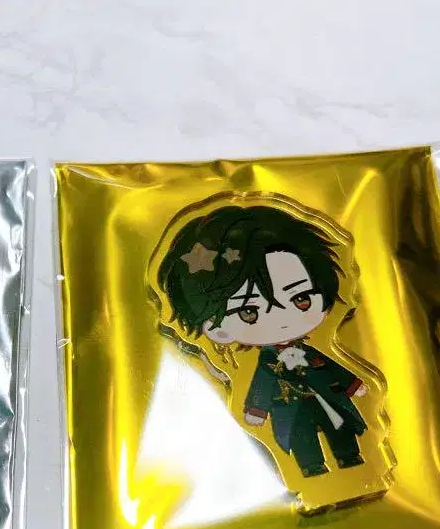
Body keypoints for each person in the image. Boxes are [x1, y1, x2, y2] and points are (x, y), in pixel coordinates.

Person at [156, 204, 368, 478]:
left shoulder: (309, 352)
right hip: (290, 407)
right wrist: (256, 410)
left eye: (300, 299)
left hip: (326, 397)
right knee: (301, 437)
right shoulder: (268, 363)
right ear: (217, 328)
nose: (283, 319)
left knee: (340, 425)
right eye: (249, 311)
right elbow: (262, 385)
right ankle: (312, 467)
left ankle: (350, 457)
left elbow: (330, 367)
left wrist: (352, 384)